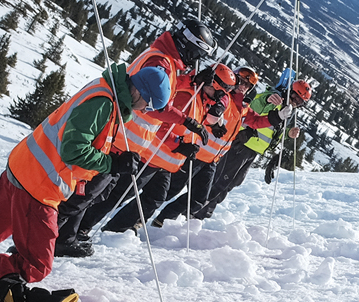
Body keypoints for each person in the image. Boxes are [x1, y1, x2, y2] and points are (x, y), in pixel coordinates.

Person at [0, 64, 171, 302]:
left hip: (21, 169)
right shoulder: (104, 103)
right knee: (36, 265)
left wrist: (114, 158)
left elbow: (77, 137)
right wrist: (112, 165)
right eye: (147, 105)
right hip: (39, 187)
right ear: (138, 90)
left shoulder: (104, 90)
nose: (144, 111)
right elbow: (73, 150)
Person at [55, 18, 214, 257]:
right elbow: (155, 102)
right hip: (122, 138)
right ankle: (56, 236)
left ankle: (68, 235)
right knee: (88, 192)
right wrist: (185, 120)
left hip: (126, 138)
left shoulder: (164, 59)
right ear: (187, 46)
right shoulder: (160, 60)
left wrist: (189, 81)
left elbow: (164, 85)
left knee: (97, 192)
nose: (195, 60)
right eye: (196, 53)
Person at [96, 62, 236, 236]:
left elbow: (192, 121)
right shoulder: (186, 97)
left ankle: (119, 229)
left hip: (164, 161)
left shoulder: (201, 99)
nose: (221, 96)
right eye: (221, 91)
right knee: (119, 194)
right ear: (212, 84)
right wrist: (179, 145)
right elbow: (162, 127)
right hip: (150, 155)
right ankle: (86, 225)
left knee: (155, 197)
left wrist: (209, 125)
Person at [190, 74, 310, 220]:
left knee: (233, 182)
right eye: (295, 97)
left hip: (254, 149)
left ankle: (200, 209)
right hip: (243, 143)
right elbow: (253, 106)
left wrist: (288, 134)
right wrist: (267, 100)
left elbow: (276, 131)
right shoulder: (273, 97)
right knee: (222, 180)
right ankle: (197, 211)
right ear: (289, 90)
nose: (296, 102)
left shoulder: (289, 110)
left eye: (301, 102)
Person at [153, 64, 259, 226]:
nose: (243, 87)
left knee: (199, 199)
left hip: (211, 159)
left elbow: (257, 120)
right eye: (242, 82)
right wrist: (216, 115)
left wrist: (277, 117)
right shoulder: (225, 97)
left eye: (248, 85)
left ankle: (162, 220)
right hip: (195, 152)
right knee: (169, 190)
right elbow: (217, 108)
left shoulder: (242, 107)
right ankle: (140, 214)